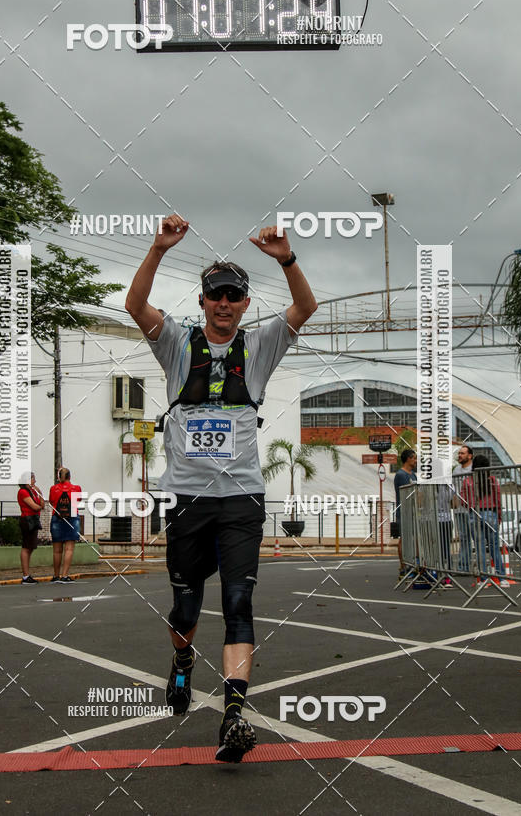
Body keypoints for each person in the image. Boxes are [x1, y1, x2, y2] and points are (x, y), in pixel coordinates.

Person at [125, 213, 317, 763]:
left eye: (234, 295)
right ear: (204, 301)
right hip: (187, 498)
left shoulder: (260, 346)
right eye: (216, 296)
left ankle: (234, 714)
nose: (225, 304)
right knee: (186, 607)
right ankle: (183, 663)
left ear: (246, 303)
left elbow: (305, 309)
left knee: (239, 601)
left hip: (242, 499)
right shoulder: (176, 345)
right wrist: (158, 249)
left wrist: (286, 259)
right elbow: (135, 307)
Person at [461, 454, 507, 585]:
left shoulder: (467, 481)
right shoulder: (492, 480)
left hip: (474, 514)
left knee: (480, 548)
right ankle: (502, 577)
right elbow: (498, 500)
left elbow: (463, 500)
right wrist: (498, 516)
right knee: (494, 547)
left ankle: (483, 579)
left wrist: (471, 505)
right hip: (490, 513)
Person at [48, 466, 82, 583]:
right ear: (70, 477)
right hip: (72, 517)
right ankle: (65, 575)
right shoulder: (76, 488)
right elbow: (78, 500)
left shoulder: (53, 489)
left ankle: (56, 575)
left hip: (57, 517)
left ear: (59, 477)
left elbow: (52, 501)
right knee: (69, 549)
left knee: (57, 550)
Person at [393, 449, 417, 577]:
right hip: (404, 511)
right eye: (414, 458)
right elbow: (405, 493)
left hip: (413, 511)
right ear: (408, 459)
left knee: (414, 538)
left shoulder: (413, 474)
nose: (415, 461)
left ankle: (413, 564)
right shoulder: (401, 475)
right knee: (404, 538)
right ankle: (403, 566)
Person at [17, 472, 45, 584]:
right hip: (27, 519)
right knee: (26, 546)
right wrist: (39, 507)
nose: (35, 481)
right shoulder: (23, 492)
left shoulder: (33, 492)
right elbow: (34, 506)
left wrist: (40, 493)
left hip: (34, 519)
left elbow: (41, 504)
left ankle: (27, 573)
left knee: (31, 546)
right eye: (33, 479)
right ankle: (25, 575)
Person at [452, 444, 473, 572]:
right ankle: (463, 566)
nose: (460, 455)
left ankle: (480, 567)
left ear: (470, 456)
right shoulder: (456, 470)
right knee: (464, 537)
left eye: (463, 453)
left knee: (476, 537)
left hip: (471, 509)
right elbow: (453, 489)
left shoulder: (474, 469)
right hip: (459, 509)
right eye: (459, 453)